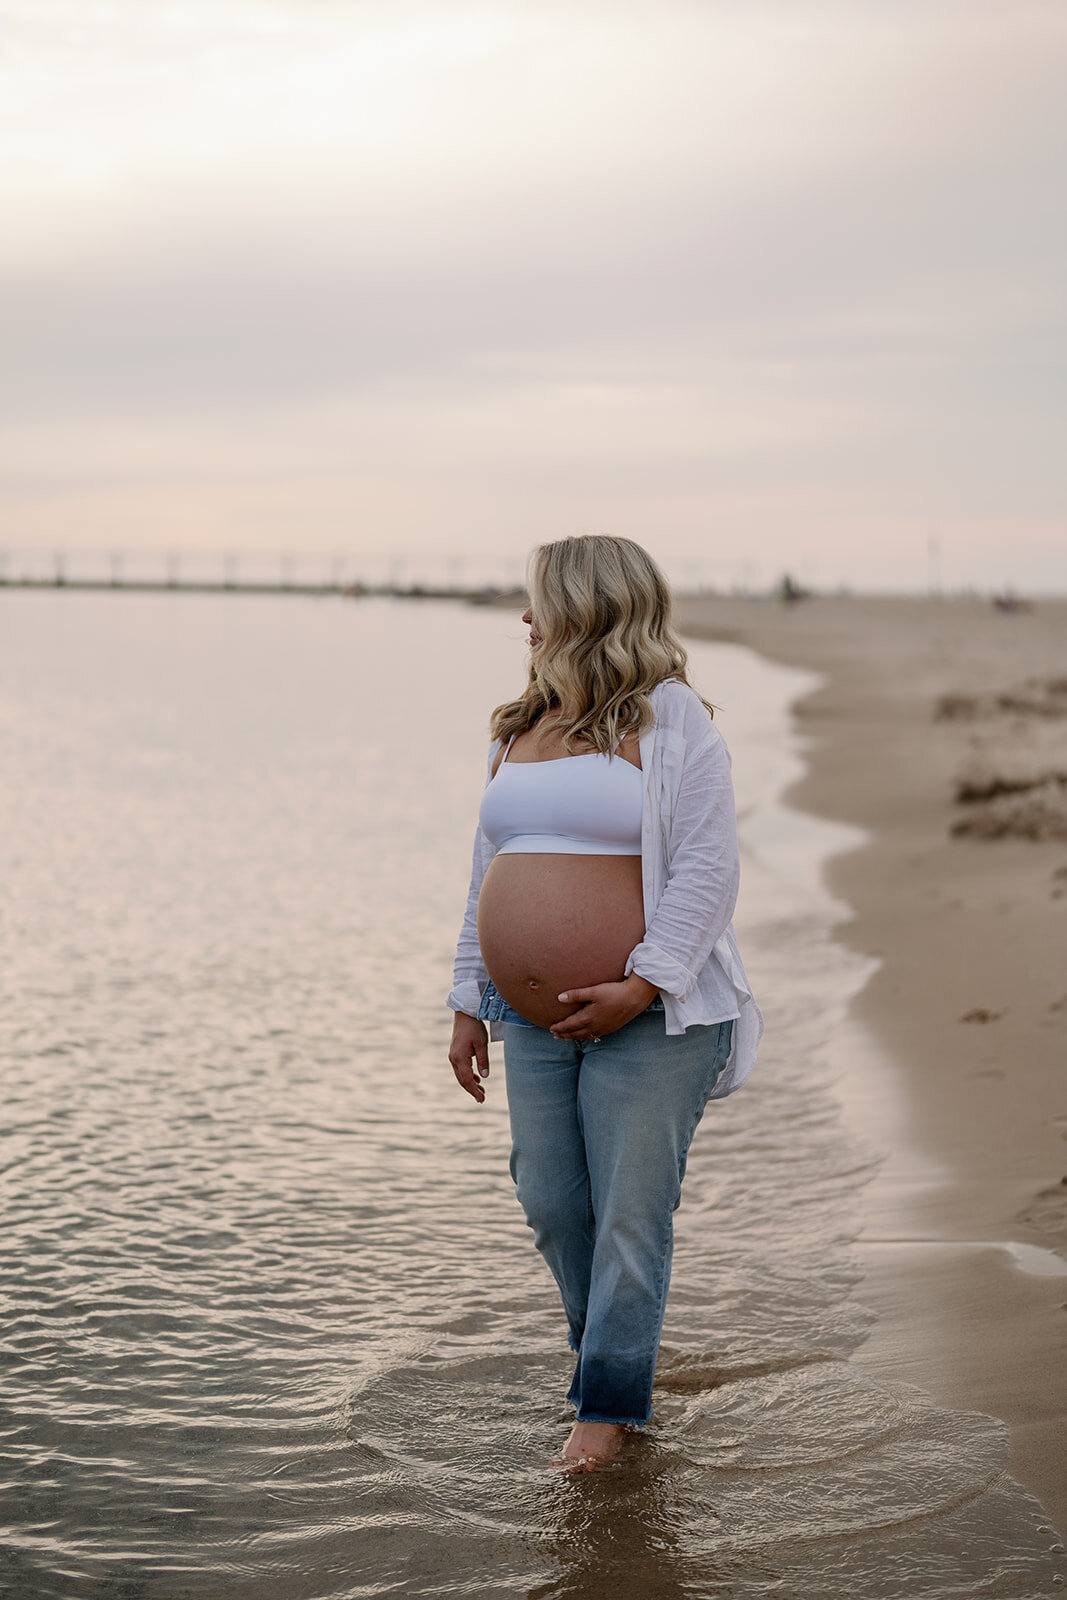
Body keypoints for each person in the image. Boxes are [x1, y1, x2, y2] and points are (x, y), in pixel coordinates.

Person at [447, 535, 762, 1473]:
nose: (524, 618)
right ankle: (606, 1372)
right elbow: (484, 878)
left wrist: (642, 984)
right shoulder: (520, 726)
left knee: (630, 1212)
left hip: (653, 1017)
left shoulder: (670, 721)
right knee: (550, 1202)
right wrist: (470, 1000)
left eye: (536, 600)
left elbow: (709, 868)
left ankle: (607, 1408)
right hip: (530, 1019)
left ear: (587, 605)